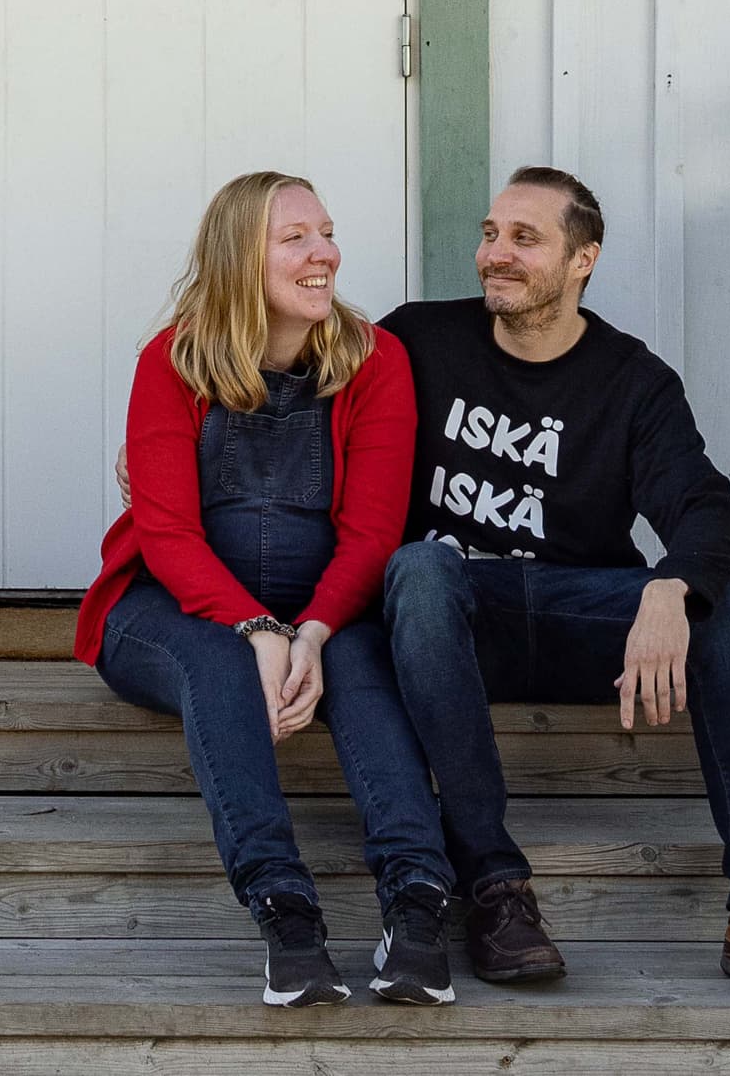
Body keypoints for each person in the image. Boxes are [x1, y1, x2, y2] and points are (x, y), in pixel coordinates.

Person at [373, 166, 730, 1007]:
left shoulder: (630, 381)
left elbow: (701, 507)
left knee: (714, 603)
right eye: (490, 233)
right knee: (422, 569)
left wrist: (667, 591)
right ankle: (495, 889)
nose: (493, 255)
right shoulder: (416, 341)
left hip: (581, 616)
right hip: (454, 623)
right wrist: (182, 422)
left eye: (524, 238)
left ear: (583, 260)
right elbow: (290, 377)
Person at [74, 171, 456, 1009]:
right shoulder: (172, 359)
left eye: (327, 233)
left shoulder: (375, 361)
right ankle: (285, 910)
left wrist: (311, 632)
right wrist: (253, 628)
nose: (326, 254)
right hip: (165, 609)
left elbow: (371, 535)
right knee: (216, 667)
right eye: (297, 238)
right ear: (238, 257)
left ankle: (419, 906)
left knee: (363, 669)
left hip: (325, 606)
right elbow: (168, 534)